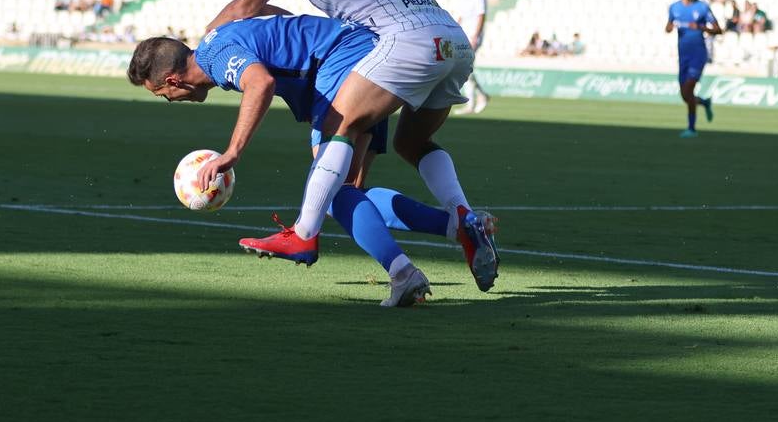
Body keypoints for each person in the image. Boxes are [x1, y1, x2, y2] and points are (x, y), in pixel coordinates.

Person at [202, 0, 490, 272]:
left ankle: (304, 233)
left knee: (339, 126)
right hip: (452, 40)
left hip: (407, 39)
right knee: (412, 142)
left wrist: (207, 39)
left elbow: (245, 7)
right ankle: (463, 217)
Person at [127, 16, 499, 302]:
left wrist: (232, 152)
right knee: (351, 190)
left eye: (161, 93)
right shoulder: (218, 37)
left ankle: (404, 274)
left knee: (331, 190)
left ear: (174, 81)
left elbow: (261, 83)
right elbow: (271, 14)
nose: (168, 100)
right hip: (367, 57)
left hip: (345, 67)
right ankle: (460, 226)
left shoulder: (215, 55)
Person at [666, 0, 719, 138]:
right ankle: (704, 102)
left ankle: (691, 129)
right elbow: (668, 26)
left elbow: (718, 29)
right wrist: (669, 27)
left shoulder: (702, 7)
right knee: (685, 95)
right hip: (683, 55)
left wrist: (702, 28)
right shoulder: (674, 7)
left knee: (689, 88)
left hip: (698, 54)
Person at [454, 0, 489, 115]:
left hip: (474, 36)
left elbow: (481, 16)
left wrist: (476, 35)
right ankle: (481, 96)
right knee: (465, 68)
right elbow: (461, 17)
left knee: (465, 67)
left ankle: (472, 103)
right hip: (464, 36)